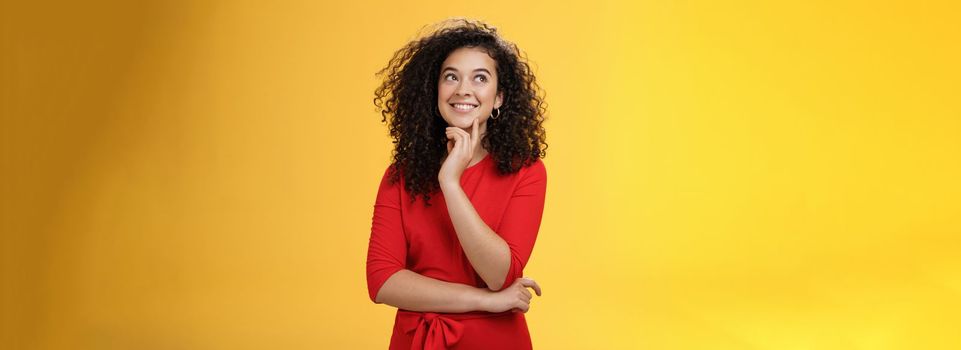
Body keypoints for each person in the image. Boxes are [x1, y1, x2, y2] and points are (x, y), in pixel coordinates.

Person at [366, 18, 548, 350]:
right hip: (415, 341)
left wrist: (451, 183)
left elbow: (499, 274)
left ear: (498, 98)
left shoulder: (527, 171)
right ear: (434, 90)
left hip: (494, 341)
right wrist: (487, 301)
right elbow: (382, 282)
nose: (463, 89)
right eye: (451, 77)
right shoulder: (400, 174)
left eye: (480, 78)